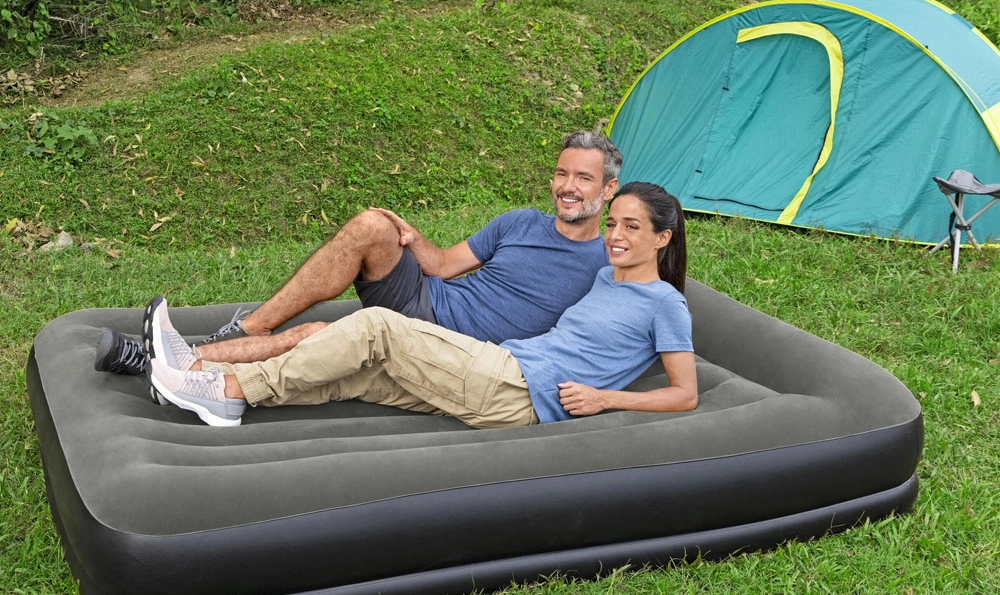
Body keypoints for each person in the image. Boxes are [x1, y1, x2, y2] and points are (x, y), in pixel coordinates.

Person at [144, 182, 698, 428]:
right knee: (352, 373)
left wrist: (604, 399)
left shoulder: (666, 304)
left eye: (632, 227)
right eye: (614, 224)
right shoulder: (604, 276)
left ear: (662, 238)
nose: (616, 235)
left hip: (518, 389)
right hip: (502, 373)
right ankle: (205, 375)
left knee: (376, 328)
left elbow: (686, 394)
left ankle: (231, 391)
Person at [94, 131, 623, 376]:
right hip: (426, 297)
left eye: (583, 178)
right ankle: (249, 327)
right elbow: (443, 265)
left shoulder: (609, 264)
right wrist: (413, 239)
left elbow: (611, 327)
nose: (567, 187)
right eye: (561, 173)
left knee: (319, 336)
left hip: (448, 346)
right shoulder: (520, 222)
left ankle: (165, 361)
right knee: (373, 225)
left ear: (609, 189)